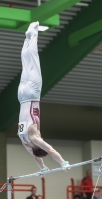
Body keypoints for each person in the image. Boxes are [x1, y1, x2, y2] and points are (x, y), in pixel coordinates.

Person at [17, 21, 70, 174]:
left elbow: (51, 150)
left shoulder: (34, 138)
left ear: (40, 145)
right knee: (25, 64)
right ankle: (27, 39)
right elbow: (36, 157)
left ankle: (33, 33)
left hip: (32, 93)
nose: (41, 137)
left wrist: (63, 163)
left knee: (33, 60)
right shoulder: (26, 142)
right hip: (21, 95)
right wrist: (43, 168)